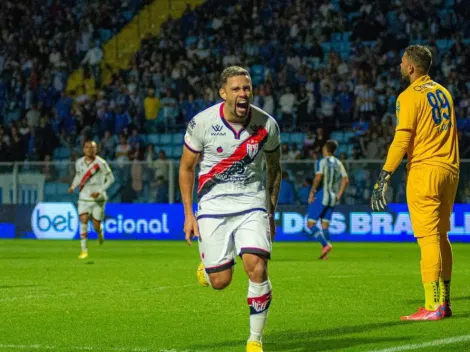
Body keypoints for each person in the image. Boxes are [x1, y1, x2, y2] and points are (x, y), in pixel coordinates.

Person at [179, 66, 281, 352]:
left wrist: (271, 211)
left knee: (257, 267)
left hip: (252, 205)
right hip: (213, 206)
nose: (242, 94)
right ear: (223, 93)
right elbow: (186, 168)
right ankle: (208, 264)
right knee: (221, 281)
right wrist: (189, 214)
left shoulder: (267, 125)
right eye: (236, 89)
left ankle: (254, 340)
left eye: (246, 88)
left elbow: (275, 169)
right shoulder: (202, 123)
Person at [371, 45, 459, 321]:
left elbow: (403, 138)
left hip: (425, 171)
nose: (399, 66)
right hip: (450, 170)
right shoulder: (443, 92)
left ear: (410, 67)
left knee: (428, 237)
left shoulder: (408, 96)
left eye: (401, 62)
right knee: (442, 235)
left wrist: (384, 174)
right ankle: (444, 300)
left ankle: (433, 305)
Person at [69, 141, 115, 259]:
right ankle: (84, 250)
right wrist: (73, 186)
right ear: (83, 149)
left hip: (98, 199)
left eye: (92, 148)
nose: (89, 149)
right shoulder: (79, 162)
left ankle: (100, 234)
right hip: (84, 197)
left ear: (96, 150)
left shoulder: (101, 163)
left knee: (96, 226)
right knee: (83, 220)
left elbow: (111, 179)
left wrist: (99, 191)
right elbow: (78, 176)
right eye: (87, 147)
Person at [307, 140, 349, 260]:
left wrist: (312, 191)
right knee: (325, 225)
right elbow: (345, 179)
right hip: (333, 197)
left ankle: (325, 245)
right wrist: (339, 194)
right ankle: (325, 255)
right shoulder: (338, 162)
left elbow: (318, 176)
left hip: (322, 195)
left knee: (310, 224)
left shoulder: (322, 161)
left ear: (325, 148)